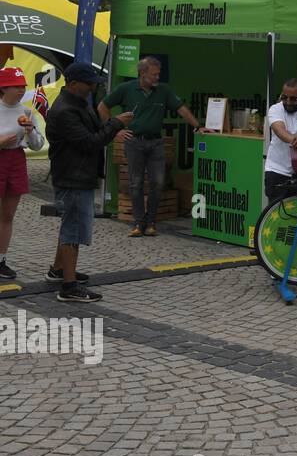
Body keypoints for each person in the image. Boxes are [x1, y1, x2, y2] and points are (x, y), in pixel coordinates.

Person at [47, 61, 134, 302]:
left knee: (70, 224)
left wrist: (111, 125)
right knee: (73, 230)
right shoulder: (66, 110)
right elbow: (89, 142)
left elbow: (95, 132)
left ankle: (59, 270)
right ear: (74, 84)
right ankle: (68, 287)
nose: (91, 88)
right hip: (72, 177)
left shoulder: (78, 104)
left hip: (78, 175)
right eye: (88, 84)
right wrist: (116, 124)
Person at [98, 56, 209, 238]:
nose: (157, 77)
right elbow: (102, 106)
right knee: (136, 183)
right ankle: (138, 222)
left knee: (158, 183)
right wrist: (114, 129)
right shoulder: (126, 89)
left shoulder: (163, 91)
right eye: (154, 74)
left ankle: (151, 222)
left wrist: (197, 126)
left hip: (156, 142)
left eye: (158, 74)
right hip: (134, 141)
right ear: (142, 73)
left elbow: (181, 109)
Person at [0, 67, 45, 280]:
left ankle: (1, 260)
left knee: (7, 215)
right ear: (3, 88)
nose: (21, 90)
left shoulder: (26, 112)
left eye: (23, 86)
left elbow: (37, 146)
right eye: (16, 86)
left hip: (16, 160)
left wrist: (30, 131)